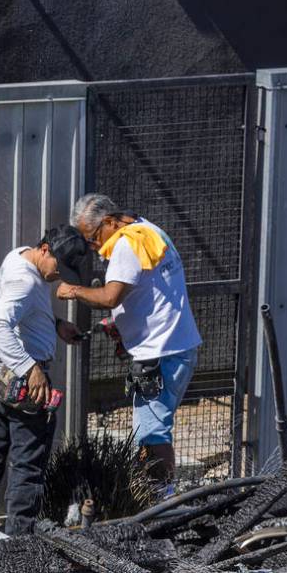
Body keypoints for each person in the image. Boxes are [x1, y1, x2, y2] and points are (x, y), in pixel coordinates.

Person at [57, 193, 201, 488]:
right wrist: (121, 326)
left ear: (109, 221)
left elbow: (110, 296)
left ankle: (161, 502)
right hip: (175, 347)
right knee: (153, 429)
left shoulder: (126, 243)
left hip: (159, 353)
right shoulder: (147, 229)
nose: (94, 247)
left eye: (93, 238)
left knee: (152, 433)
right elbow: (152, 294)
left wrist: (73, 290)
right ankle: (157, 495)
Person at [0, 225, 88, 535]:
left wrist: (54, 323)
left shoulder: (20, 257)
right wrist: (30, 368)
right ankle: (18, 545)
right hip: (20, 384)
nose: (59, 276)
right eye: (59, 267)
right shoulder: (26, 279)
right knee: (27, 466)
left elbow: (22, 313)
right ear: (45, 249)